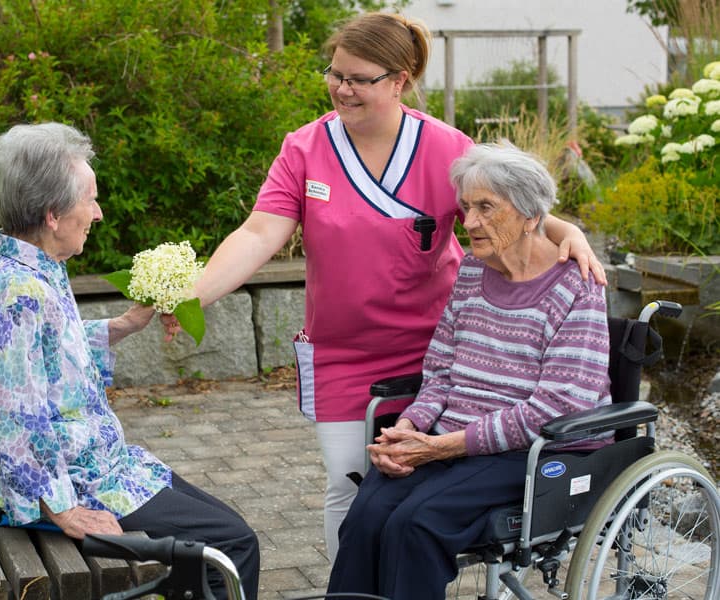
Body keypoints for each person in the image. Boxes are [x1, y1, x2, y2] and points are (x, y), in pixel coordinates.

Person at [183, 11, 607, 562]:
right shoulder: (304, 148)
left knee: (418, 490)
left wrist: (564, 228)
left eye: (361, 79)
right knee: (350, 483)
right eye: (335, 74)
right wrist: (193, 294)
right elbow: (260, 231)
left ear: (400, 80)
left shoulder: (445, 146)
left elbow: (502, 205)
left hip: (435, 352)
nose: (342, 88)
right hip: (343, 351)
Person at [0, 122, 259, 600]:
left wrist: (123, 324)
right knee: (230, 545)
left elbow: (47, 360)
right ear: (53, 214)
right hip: (73, 478)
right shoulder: (18, 292)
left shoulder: (31, 267)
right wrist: (59, 507)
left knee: (227, 530)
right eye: (90, 201)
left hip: (96, 461)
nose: (97, 214)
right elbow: (9, 413)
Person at [325, 141, 612, 600]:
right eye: (465, 207)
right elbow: (440, 370)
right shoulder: (474, 271)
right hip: (453, 440)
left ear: (530, 216)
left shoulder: (578, 286)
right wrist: (406, 429)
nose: (470, 221)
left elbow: (554, 408)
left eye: (485, 207)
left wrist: (439, 447)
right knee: (365, 517)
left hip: (536, 452)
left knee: (415, 524)